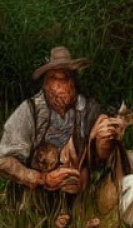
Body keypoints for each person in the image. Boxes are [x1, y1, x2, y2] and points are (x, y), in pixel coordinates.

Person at [0, 47, 124, 208]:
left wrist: (105, 138)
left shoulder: (87, 109)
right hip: (34, 201)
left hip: (80, 198)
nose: (60, 86)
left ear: (73, 81)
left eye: (65, 78)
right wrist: (42, 179)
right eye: (54, 79)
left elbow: (100, 158)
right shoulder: (30, 110)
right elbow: (3, 161)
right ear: (46, 82)